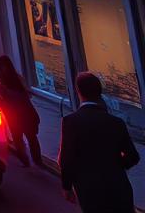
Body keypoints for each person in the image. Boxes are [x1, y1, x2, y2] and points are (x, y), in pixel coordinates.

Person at [59, 71, 139, 212]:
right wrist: (115, 166)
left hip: (90, 190)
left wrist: (67, 186)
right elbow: (133, 156)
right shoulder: (116, 123)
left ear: (78, 92)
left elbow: (67, 159)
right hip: (118, 187)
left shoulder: (71, 122)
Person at [0, 55, 42, 167]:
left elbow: (1, 100)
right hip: (26, 112)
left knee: (17, 138)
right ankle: (37, 161)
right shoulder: (18, 78)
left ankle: (25, 161)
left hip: (13, 115)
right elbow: (27, 94)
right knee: (32, 137)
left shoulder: (0, 83)